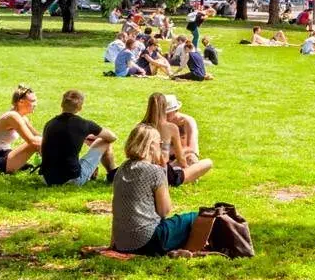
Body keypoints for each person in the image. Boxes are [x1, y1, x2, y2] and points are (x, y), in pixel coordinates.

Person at [109, 124, 200, 255]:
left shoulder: (122, 168)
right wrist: (163, 169)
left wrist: (113, 244)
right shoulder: (154, 171)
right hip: (148, 241)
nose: (161, 146)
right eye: (160, 143)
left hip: (122, 243)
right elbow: (164, 211)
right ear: (151, 145)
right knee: (196, 217)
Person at [40, 89, 118, 185]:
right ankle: (112, 175)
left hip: (47, 179)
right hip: (71, 179)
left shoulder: (49, 124)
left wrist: (83, 137)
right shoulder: (84, 124)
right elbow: (112, 137)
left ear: (61, 104)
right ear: (80, 107)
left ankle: (104, 173)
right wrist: (93, 137)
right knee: (104, 141)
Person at [143, 92, 213, 184]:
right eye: (164, 113)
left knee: (191, 158)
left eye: (168, 113)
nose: (165, 116)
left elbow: (192, 148)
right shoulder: (167, 127)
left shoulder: (186, 122)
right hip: (163, 166)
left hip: (165, 162)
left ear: (176, 110)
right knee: (206, 163)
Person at [0, 84, 44, 173]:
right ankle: (54, 169)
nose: (36, 104)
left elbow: (38, 136)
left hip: (5, 155)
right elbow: (32, 141)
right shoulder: (12, 116)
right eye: (33, 101)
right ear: (21, 102)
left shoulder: (21, 117)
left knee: (40, 140)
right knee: (36, 142)